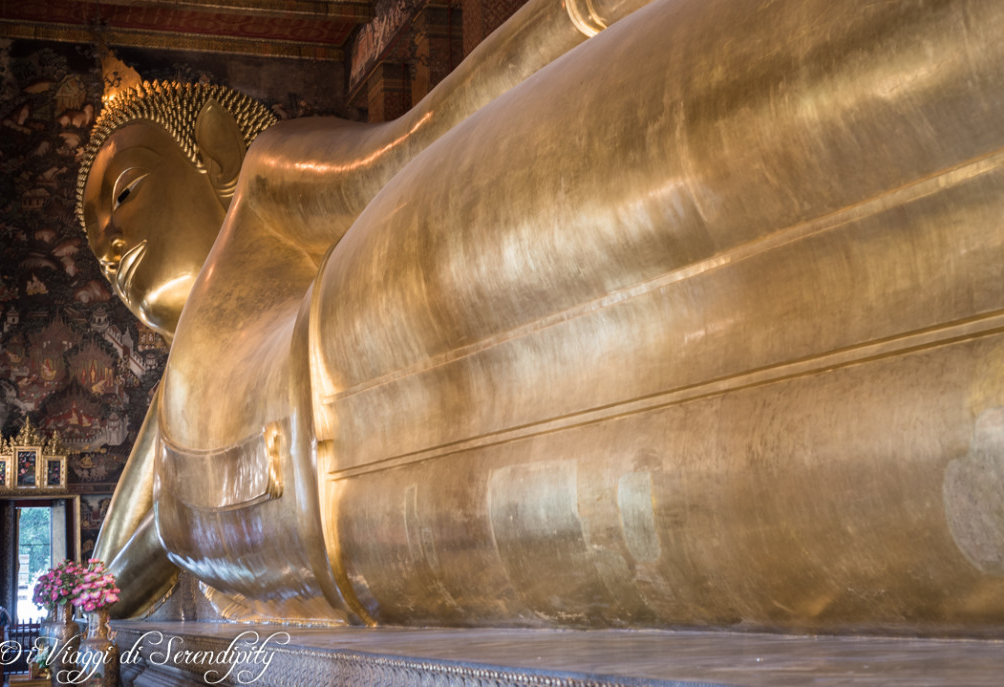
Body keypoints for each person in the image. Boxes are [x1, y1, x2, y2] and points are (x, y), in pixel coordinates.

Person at [84, 0, 1004, 633]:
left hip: (388, 308)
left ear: (206, 148)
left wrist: (579, 18)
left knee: (724, 152)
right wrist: (85, 600)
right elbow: (119, 569)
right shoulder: (173, 423)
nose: (112, 240)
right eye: (93, 240)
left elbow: (417, 138)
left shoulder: (264, 188)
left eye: (122, 194)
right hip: (415, 535)